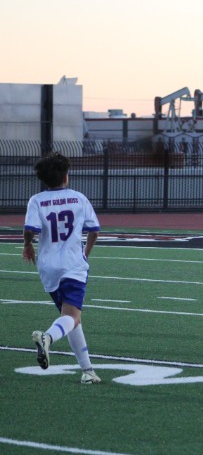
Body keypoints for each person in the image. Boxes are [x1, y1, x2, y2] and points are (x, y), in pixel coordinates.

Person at [23, 152, 102, 384]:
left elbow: (30, 229)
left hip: (48, 268)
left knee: (71, 318)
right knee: (71, 317)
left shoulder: (36, 200)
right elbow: (94, 231)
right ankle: (47, 337)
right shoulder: (78, 198)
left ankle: (87, 371)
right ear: (66, 176)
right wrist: (85, 253)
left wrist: (27, 245)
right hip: (73, 265)